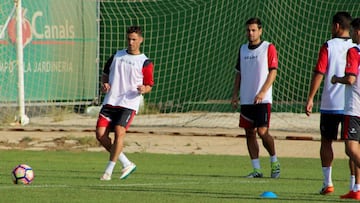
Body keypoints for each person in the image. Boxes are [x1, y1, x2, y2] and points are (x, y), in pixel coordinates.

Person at [305, 11, 355, 195]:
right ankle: (355, 187)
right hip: (352, 104)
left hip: (331, 103)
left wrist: (310, 97)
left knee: (327, 141)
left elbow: (320, 71)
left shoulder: (329, 45)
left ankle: (328, 184)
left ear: (336, 26)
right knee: (353, 145)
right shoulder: (357, 46)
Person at [96, 26, 154, 181]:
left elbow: (149, 85)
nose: (131, 42)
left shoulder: (145, 62)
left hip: (128, 103)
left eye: (134, 39)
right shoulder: (117, 55)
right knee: (100, 135)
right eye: (129, 39)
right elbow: (105, 73)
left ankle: (108, 172)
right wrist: (105, 84)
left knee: (119, 132)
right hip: (110, 101)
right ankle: (126, 163)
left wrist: (144, 89)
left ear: (140, 40)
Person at [231, 17, 280, 179]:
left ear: (260, 31)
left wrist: (262, 92)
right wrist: (234, 94)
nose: (250, 33)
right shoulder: (243, 49)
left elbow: (273, 71)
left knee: (262, 131)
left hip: (262, 99)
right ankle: (256, 169)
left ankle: (274, 161)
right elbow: (239, 73)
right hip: (246, 99)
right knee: (249, 133)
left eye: (253, 30)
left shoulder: (268, 48)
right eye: (248, 30)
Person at [331, 17, 360, 200]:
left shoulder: (354, 51)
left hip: (354, 107)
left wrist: (336, 79)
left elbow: (350, 79)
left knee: (351, 148)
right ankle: (357, 189)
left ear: (357, 31)